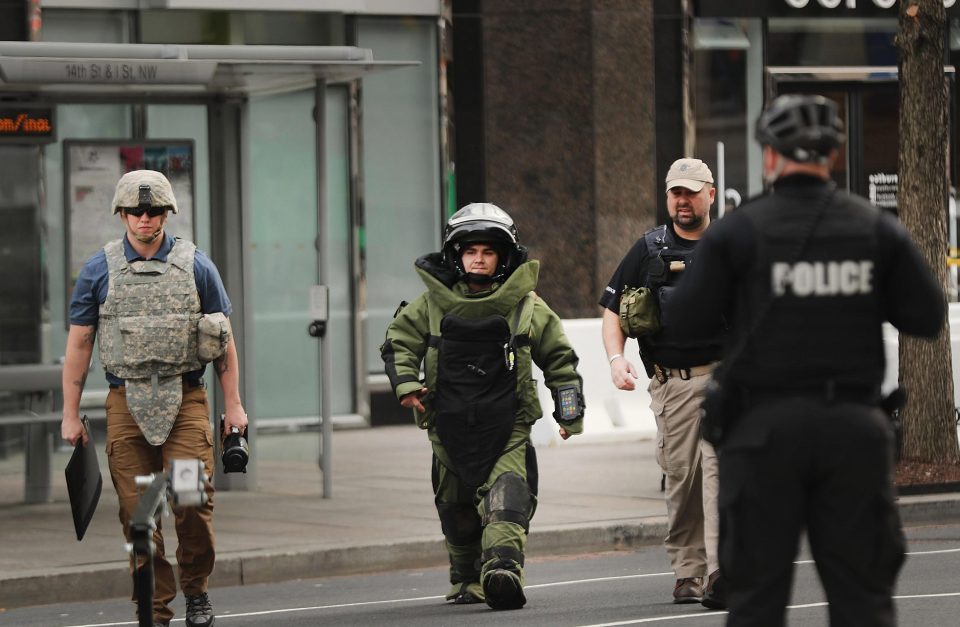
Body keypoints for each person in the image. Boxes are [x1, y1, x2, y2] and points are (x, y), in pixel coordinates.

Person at [668, 94, 945, 626]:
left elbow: (682, 321)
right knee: (862, 599)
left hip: (761, 434)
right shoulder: (873, 227)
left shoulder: (739, 230)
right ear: (834, 157)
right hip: (853, 433)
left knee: (756, 601)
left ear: (770, 157)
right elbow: (927, 316)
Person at [61, 169, 248, 627]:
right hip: (126, 405)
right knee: (138, 514)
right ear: (121, 214)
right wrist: (69, 414)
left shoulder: (197, 265)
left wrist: (235, 405)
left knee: (189, 500)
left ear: (167, 213)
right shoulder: (98, 269)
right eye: (136, 211)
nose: (145, 219)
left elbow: (222, 338)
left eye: (155, 210)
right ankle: (154, 607)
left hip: (185, 402)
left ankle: (197, 590)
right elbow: (80, 342)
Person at [381, 203, 585, 610]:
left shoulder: (528, 307)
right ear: (455, 256)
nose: (478, 259)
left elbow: (561, 360)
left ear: (503, 257)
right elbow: (399, 342)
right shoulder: (430, 305)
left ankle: (503, 571)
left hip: (508, 426)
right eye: (470, 251)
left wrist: (570, 413)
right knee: (455, 509)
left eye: (488, 252)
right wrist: (406, 384)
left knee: (508, 498)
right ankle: (466, 578)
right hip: (447, 426)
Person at [599, 157, 727, 608]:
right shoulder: (649, 248)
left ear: (710, 193)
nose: (683, 200)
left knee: (721, 475)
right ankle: (689, 571)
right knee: (684, 480)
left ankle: (720, 571)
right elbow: (613, 311)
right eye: (676, 192)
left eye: (692, 192)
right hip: (673, 386)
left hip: (726, 380)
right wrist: (616, 359)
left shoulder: (734, 245)